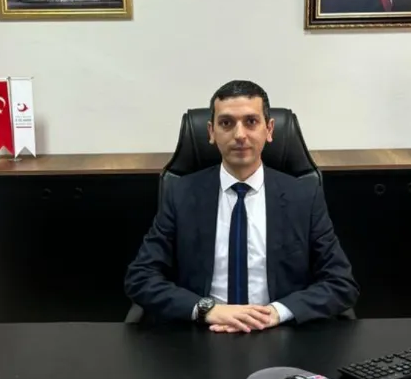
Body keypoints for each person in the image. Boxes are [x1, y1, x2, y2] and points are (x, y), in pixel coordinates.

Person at [124, 80, 359, 333]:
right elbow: (141, 277)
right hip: (202, 333)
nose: (239, 135)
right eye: (226, 123)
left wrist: (276, 312)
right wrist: (206, 309)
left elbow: (341, 283)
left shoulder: (303, 196)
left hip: (278, 331)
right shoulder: (181, 193)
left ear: (269, 129)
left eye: (251, 121)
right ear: (211, 132)